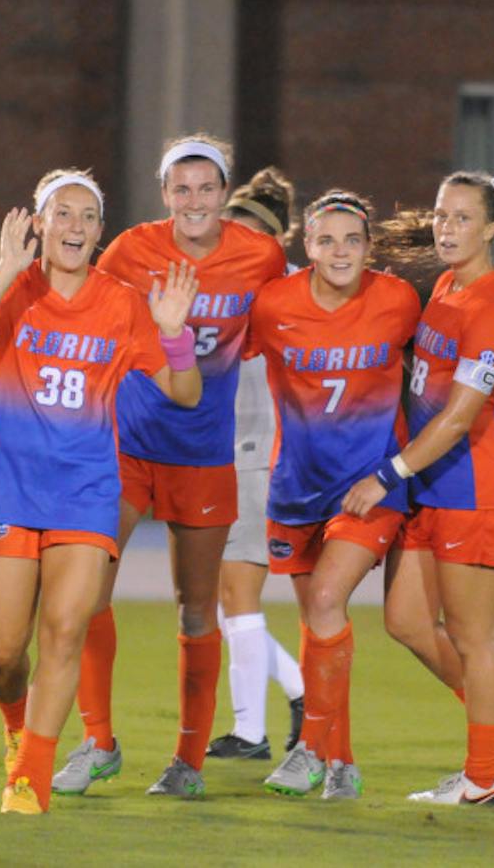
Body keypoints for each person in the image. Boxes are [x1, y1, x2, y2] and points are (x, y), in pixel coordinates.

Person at [0, 168, 201, 814]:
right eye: (63, 213)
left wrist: (173, 330)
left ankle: (29, 775)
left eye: (87, 215)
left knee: (63, 630)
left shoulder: (121, 302)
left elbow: (185, 391)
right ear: (39, 223)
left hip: (86, 492)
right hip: (8, 487)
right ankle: (14, 725)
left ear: (99, 230)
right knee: (4, 651)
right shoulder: (13, 287)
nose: (75, 225)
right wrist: (3, 270)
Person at [53, 135, 287, 799]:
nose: (194, 201)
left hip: (203, 452)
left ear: (225, 193)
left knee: (195, 609)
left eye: (206, 188)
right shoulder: (130, 249)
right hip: (125, 443)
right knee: (88, 592)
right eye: (181, 189)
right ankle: (98, 741)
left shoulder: (259, 256)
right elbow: (85, 317)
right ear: (165, 194)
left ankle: (187, 760)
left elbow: (289, 328)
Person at [357, 173, 494, 807]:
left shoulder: (490, 306)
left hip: (475, 490)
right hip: (431, 484)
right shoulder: (448, 286)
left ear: (490, 229)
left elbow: (459, 416)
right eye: (441, 215)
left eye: (462, 218)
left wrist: (388, 474)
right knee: (404, 620)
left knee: (473, 636)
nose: (447, 228)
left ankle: (484, 779)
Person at [253, 190, 422, 801]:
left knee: (326, 598)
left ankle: (309, 750)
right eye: (328, 240)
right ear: (308, 247)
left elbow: (439, 366)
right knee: (319, 622)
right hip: (297, 486)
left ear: (370, 247)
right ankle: (342, 763)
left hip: (369, 487)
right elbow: (214, 352)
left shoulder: (399, 300)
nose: (341, 250)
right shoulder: (272, 305)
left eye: (353, 240)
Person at [207, 168, 307, 760]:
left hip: (258, 452)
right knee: (222, 598)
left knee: (238, 593)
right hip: (226, 451)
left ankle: (250, 732)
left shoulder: (279, 289)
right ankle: (300, 691)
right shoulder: (231, 282)